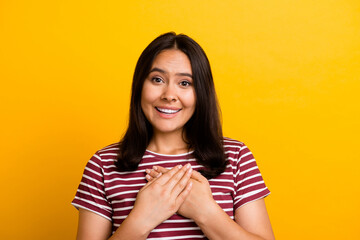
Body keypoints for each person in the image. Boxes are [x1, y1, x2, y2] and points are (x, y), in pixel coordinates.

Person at [72, 32, 275, 240]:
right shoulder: (103, 164)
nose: (169, 95)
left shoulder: (236, 157)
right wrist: (142, 219)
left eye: (185, 83)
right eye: (157, 79)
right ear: (140, 86)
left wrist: (206, 213)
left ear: (201, 93)